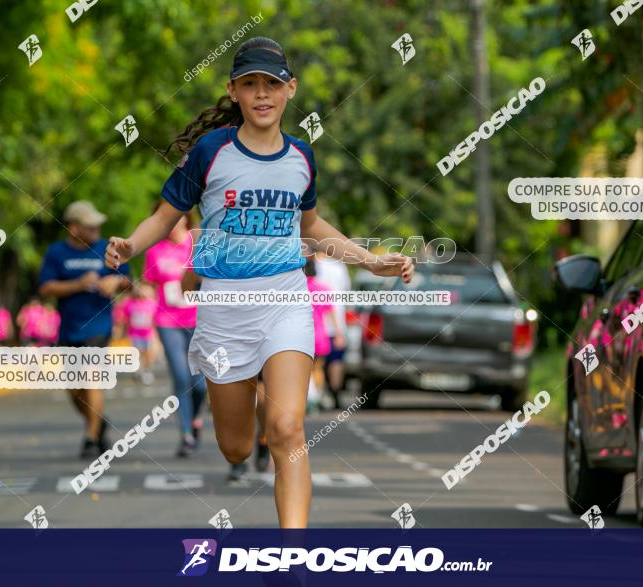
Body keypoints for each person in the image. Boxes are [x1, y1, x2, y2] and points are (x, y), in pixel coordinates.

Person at [104, 37, 413, 528]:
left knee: (288, 428)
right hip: (223, 310)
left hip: (284, 302)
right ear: (234, 91)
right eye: (250, 84)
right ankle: (236, 432)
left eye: (272, 84)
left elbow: (311, 227)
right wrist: (130, 246)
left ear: (290, 89)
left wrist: (368, 260)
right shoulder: (211, 152)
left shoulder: (301, 158)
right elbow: (166, 217)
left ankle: (292, 558)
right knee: (236, 447)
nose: (262, 94)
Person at [38, 200, 131, 459]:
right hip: (69, 330)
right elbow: (45, 288)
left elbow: (128, 280)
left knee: (91, 377)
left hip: (99, 326)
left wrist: (115, 280)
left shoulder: (107, 250)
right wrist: (78, 284)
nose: (96, 230)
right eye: (90, 226)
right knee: (74, 389)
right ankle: (99, 422)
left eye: (98, 226)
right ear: (73, 228)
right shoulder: (57, 253)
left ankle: (90, 437)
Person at [143, 212, 208, 458]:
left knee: (200, 384)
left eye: (177, 217)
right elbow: (149, 285)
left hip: (198, 321)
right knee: (181, 377)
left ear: (185, 219)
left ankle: (195, 419)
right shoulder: (155, 251)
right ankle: (186, 435)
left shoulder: (197, 244)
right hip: (167, 322)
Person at [315, 251, 350, 408]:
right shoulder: (339, 267)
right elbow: (346, 290)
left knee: (316, 364)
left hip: (316, 322)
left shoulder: (311, 266)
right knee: (336, 360)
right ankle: (335, 393)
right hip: (337, 320)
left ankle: (318, 395)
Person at [114, 282, 158, 385]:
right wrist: (119, 327)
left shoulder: (152, 304)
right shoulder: (130, 303)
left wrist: (157, 333)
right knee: (137, 353)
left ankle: (147, 370)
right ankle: (138, 371)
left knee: (148, 353)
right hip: (134, 334)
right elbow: (121, 315)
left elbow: (156, 319)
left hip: (148, 334)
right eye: (140, 289)